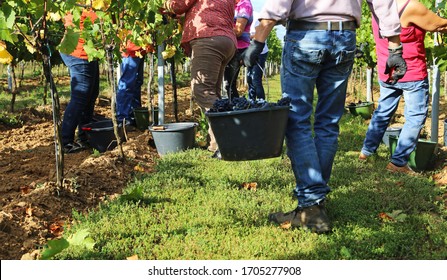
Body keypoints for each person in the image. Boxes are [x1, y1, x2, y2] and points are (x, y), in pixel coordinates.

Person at [243, 0, 407, 233]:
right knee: (328, 123)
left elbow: (279, 3)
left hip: (305, 35)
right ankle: (316, 202)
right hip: (344, 38)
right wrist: (395, 47)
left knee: (297, 121)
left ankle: (310, 206)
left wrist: (258, 40)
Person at [359, 0, 447, 174]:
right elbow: (439, 25)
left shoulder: (378, 5)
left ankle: (366, 152)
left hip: (387, 70)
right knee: (415, 117)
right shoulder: (411, 7)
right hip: (411, 72)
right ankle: (398, 163)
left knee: (383, 111)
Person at [163, 0, 237, 158]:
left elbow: (178, 5)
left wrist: (165, 4)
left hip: (208, 37)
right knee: (213, 93)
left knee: (202, 91)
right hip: (225, 40)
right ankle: (216, 144)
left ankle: (228, 140)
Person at [60, 8, 99, 153]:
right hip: (79, 51)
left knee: (91, 93)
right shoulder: (86, 5)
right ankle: (66, 142)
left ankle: (85, 135)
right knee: (81, 96)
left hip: (88, 51)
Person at [116, 40, 153, 127]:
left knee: (137, 83)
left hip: (141, 50)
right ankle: (122, 118)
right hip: (130, 50)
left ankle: (134, 115)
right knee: (127, 84)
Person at [223, 0, 253, 100]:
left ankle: (235, 110)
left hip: (238, 48)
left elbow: (238, 31)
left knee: (229, 83)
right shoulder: (231, 4)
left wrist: (218, 25)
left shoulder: (244, 4)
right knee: (226, 83)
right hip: (228, 47)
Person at [246, 19, 269, 101]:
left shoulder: (257, 18)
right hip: (250, 52)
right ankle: (251, 100)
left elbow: (259, 35)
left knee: (256, 79)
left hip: (261, 52)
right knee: (249, 79)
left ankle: (261, 101)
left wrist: (245, 35)